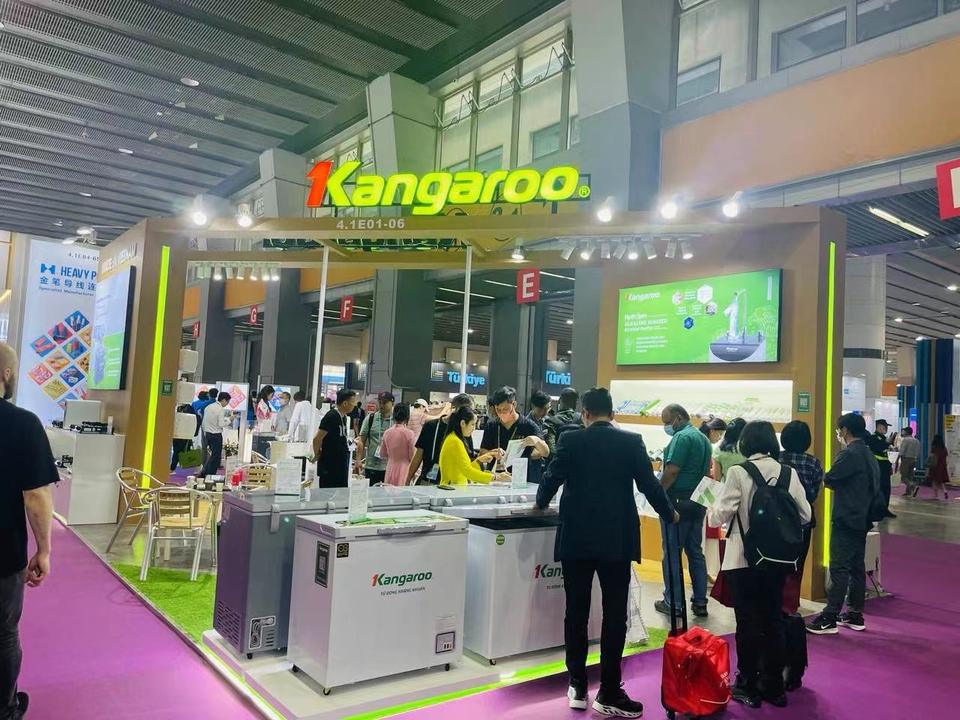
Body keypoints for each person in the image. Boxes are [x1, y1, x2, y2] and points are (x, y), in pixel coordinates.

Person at [536, 387, 676, 717]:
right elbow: (649, 485)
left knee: (576, 611)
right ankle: (610, 691)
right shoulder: (631, 442)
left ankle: (577, 684)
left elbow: (552, 478)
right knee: (615, 615)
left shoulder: (570, 440)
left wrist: (540, 502)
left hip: (577, 539)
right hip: (617, 540)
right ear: (612, 415)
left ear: (585, 414)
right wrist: (669, 513)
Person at [708, 421, 811, 709]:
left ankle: (748, 685)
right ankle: (774, 686)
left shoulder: (738, 472)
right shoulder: (788, 473)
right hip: (776, 559)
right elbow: (805, 514)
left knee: (747, 622)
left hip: (743, 558)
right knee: (773, 620)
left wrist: (711, 506)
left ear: (745, 443)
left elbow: (719, 515)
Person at [0, 343, 56, 719]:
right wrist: (44, 550)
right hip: (3, 551)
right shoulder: (23, 424)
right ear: (7, 373)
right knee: (3, 634)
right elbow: (36, 496)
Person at [807, 413, 879, 635]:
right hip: (863, 517)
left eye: (839, 430)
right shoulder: (868, 453)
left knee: (839, 567)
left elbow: (829, 478)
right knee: (857, 566)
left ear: (845, 430)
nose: (838, 433)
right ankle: (855, 613)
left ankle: (830, 616)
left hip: (846, 516)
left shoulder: (849, 454)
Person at [656, 404, 713, 619]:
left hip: (678, 500)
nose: (666, 426)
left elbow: (672, 471)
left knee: (672, 553)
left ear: (678, 418)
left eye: (667, 422)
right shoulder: (703, 438)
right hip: (699, 499)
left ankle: (674, 602)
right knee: (695, 552)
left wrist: (658, 493)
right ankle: (700, 601)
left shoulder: (681, 438)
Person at [779, 420, 824, 613]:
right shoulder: (813, 463)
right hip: (802, 522)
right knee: (797, 564)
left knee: (774, 562)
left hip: (776, 520)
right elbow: (813, 495)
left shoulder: (775, 459)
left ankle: (774, 601)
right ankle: (791, 604)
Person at [481, 386, 549, 484]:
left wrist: (537, 441)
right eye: (498, 410)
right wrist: (492, 453)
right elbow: (482, 451)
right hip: (496, 479)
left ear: (514, 405)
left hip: (521, 479)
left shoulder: (528, 425)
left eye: (505, 409)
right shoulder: (491, 426)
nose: (502, 413)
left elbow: (546, 452)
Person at [406, 394, 474, 484]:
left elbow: (468, 462)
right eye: (467, 411)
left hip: (454, 485)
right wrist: (407, 479)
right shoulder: (431, 426)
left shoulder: (465, 431)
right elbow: (418, 455)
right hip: (429, 482)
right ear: (453, 408)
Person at [438, 407, 508, 485]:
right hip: (452, 489)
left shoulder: (454, 439)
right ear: (463, 423)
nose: (474, 429)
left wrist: (479, 461)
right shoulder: (454, 441)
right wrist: (496, 477)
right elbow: (468, 471)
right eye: (472, 424)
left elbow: (465, 468)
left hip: (455, 488)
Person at [313, 389, 359, 488]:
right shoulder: (331, 416)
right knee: (329, 493)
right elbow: (317, 438)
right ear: (345, 403)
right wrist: (317, 454)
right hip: (330, 466)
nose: (354, 405)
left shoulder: (343, 417)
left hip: (340, 465)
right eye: (353, 402)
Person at [357, 391, 394, 485]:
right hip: (371, 466)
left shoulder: (396, 421)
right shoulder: (370, 418)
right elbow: (361, 440)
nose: (381, 405)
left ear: (392, 403)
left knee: (388, 493)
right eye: (380, 402)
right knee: (371, 492)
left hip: (390, 467)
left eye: (384, 402)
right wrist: (358, 459)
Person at [380, 403, 417, 486]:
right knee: (402, 492)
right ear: (407, 416)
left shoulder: (387, 432)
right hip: (405, 470)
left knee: (388, 491)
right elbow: (413, 456)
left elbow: (383, 454)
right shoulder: (410, 434)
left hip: (390, 469)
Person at [866, 419, 895, 519]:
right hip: (878, 467)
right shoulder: (873, 438)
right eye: (884, 427)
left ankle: (885, 509)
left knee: (886, 489)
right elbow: (878, 449)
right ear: (879, 427)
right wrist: (888, 444)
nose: (886, 429)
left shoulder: (884, 438)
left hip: (885, 467)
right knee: (879, 489)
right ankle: (877, 511)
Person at [200, 392, 231, 478]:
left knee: (211, 455)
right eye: (227, 402)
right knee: (215, 457)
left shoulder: (209, 407)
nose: (227, 404)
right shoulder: (220, 409)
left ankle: (205, 473)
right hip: (216, 435)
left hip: (208, 434)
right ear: (224, 400)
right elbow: (221, 424)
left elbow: (204, 422)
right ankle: (210, 475)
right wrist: (229, 420)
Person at [543, 387, 582, 455]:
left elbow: (550, 449)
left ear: (559, 400)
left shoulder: (550, 421)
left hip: (559, 460)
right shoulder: (582, 419)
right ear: (576, 403)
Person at [713, 418, 746, 482]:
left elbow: (717, 478)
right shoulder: (749, 450)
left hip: (727, 486)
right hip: (747, 486)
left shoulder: (718, 451)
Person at [170, 402, 200, 472]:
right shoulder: (196, 417)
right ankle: (194, 468)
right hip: (187, 437)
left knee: (177, 452)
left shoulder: (180, 417)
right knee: (185, 451)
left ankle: (172, 468)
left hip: (178, 436)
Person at [896, 426, 921, 496]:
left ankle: (912, 485)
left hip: (906, 459)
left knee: (903, 476)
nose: (902, 432)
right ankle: (908, 492)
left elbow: (902, 451)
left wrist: (897, 459)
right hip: (914, 459)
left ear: (906, 432)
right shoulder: (917, 441)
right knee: (910, 476)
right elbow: (918, 451)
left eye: (903, 431)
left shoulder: (905, 440)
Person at [927, 434, 950, 500]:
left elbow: (932, 456)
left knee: (934, 481)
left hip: (935, 466)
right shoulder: (944, 448)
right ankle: (945, 490)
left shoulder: (934, 447)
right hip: (942, 466)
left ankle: (936, 495)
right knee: (941, 480)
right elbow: (946, 457)